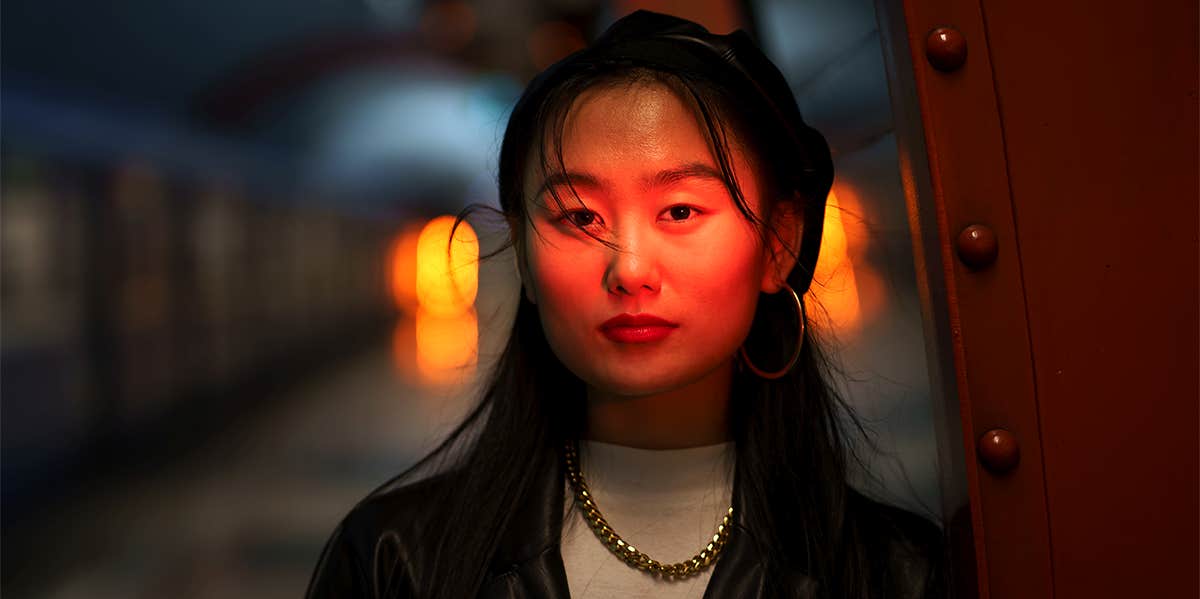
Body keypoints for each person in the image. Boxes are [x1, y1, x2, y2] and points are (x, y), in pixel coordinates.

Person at [306, 10, 944, 599]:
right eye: (580, 217)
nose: (629, 269)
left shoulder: (897, 572)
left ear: (778, 245)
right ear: (524, 258)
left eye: (681, 211)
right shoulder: (393, 562)